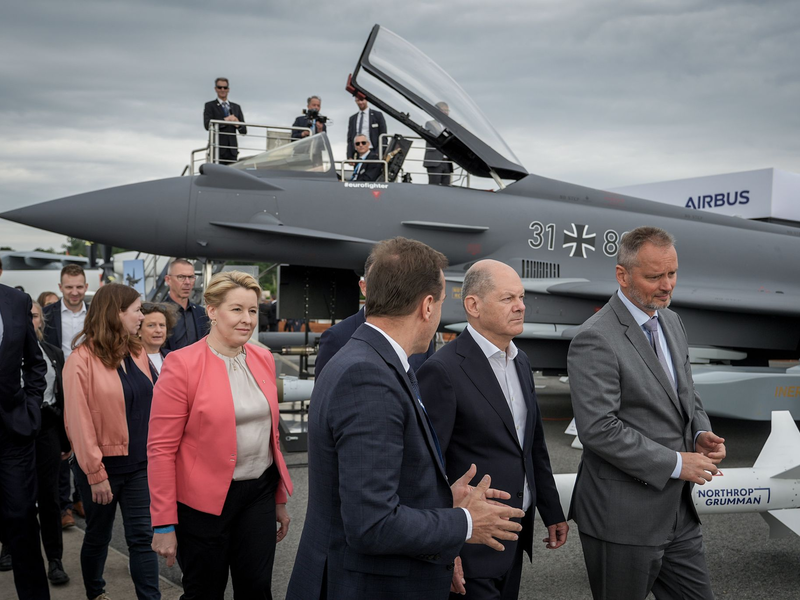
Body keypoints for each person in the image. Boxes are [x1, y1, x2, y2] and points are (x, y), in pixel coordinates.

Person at [287, 237, 526, 600]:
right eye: (441, 302)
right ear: (427, 306)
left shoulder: (369, 358)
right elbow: (371, 523)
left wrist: (443, 498)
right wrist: (464, 522)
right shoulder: (368, 376)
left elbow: (377, 481)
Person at [567, 226, 726, 600]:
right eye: (654, 276)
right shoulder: (595, 337)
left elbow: (686, 393)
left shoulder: (672, 321)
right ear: (622, 275)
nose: (667, 285)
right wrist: (677, 463)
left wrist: (700, 432)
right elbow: (599, 428)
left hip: (679, 515)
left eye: (672, 273)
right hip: (622, 521)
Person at [416, 259, 568, 599]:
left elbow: (532, 446)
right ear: (473, 305)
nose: (521, 306)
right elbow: (427, 468)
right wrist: (444, 545)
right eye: (508, 298)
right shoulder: (442, 370)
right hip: (470, 543)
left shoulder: (521, 361)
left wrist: (551, 511)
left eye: (522, 297)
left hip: (513, 536)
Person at [148, 271, 293, 600]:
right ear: (212, 311)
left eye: (253, 310)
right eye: (237, 309)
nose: (247, 319)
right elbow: (160, 450)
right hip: (202, 504)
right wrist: (164, 523)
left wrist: (279, 500)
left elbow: (269, 438)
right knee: (204, 591)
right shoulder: (182, 364)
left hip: (258, 494)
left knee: (257, 589)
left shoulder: (263, 358)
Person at [63, 283, 161, 600]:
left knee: (142, 539)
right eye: (137, 310)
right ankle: (96, 592)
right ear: (116, 313)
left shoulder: (138, 352)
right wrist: (95, 474)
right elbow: (78, 422)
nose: (142, 316)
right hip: (101, 468)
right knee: (99, 535)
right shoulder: (80, 360)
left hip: (139, 465)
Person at [0, 282, 49, 598]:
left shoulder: (17, 300)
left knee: (22, 516)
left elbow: (35, 363)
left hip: (12, 430)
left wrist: (31, 407)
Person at [315, 253, 434, 376]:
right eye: (380, 283)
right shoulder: (337, 338)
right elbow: (326, 386)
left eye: (396, 284)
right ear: (363, 287)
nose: (389, 291)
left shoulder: (420, 337)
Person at [43, 264, 88, 529]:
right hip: (59, 390)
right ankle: (63, 507)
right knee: (61, 446)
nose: (74, 292)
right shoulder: (48, 314)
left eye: (79, 286)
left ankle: (81, 498)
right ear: (60, 287)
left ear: (86, 287)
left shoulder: (94, 314)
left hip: (88, 385)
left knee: (86, 442)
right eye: (69, 287)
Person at [30, 301, 72, 585]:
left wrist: (66, 438)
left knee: (49, 497)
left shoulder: (53, 352)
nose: (29, 320)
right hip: (14, 433)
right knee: (15, 497)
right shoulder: (6, 351)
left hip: (47, 428)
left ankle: (55, 559)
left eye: (34, 315)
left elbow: (62, 397)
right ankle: (10, 546)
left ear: (41, 321)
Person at [161, 259, 210, 351]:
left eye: (191, 277)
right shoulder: (159, 313)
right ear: (168, 280)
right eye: (181, 277)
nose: (187, 282)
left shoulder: (201, 313)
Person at [203, 77, 247, 165]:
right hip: (217, 149)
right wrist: (225, 120)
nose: (222, 90)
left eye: (225, 87)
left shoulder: (236, 107)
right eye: (220, 87)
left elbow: (244, 131)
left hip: (232, 151)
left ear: (228, 89)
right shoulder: (210, 105)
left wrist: (237, 124)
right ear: (216, 89)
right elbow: (207, 125)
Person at [346, 95, 387, 161]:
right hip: (358, 153)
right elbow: (350, 139)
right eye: (358, 100)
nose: (360, 102)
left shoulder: (377, 115)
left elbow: (383, 136)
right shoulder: (352, 118)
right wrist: (350, 156)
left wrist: (378, 153)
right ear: (355, 101)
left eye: (362, 100)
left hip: (373, 152)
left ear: (366, 100)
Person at [139, 303, 177, 375]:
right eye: (151, 325)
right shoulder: (129, 360)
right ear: (139, 330)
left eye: (162, 325)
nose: (158, 330)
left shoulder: (173, 357)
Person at [424, 101, 455, 186]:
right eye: (443, 110)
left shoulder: (450, 126)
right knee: (434, 186)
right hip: (435, 160)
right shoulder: (430, 123)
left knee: (447, 187)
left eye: (447, 110)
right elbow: (437, 135)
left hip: (447, 161)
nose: (446, 112)